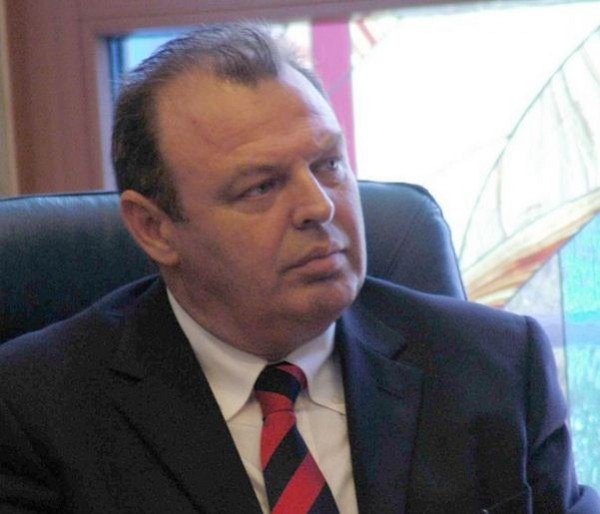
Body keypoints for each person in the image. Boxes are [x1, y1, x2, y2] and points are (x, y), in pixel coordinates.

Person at [0, 23, 598, 514]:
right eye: (261, 186)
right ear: (154, 227)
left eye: (328, 164)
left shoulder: (495, 366)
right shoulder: (35, 410)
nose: (319, 206)